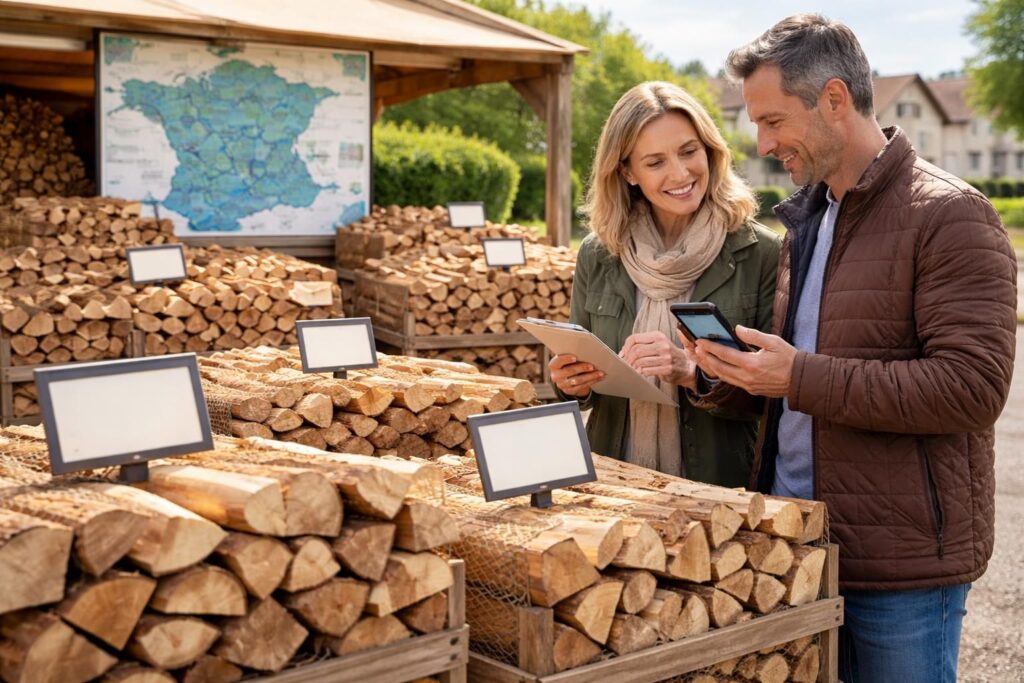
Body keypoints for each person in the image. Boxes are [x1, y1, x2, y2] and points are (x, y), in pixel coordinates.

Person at [682, 15, 1016, 683]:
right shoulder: (808, 217)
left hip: (900, 567)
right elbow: (798, 380)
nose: (763, 143)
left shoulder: (951, 215)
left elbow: (972, 389)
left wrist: (797, 376)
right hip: (798, 544)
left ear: (833, 99)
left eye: (773, 121)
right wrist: (725, 375)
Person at [548, 81, 781, 486]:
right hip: (611, 483)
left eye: (689, 152)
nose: (680, 173)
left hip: (722, 488)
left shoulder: (761, 252)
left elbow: (777, 398)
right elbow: (583, 383)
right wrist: (572, 385)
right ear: (627, 172)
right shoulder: (598, 254)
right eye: (655, 162)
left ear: (710, 150)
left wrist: (691, 372)